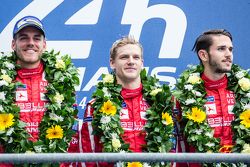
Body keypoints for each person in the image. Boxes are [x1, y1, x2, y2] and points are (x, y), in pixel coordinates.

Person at [74, 36, 187, 167]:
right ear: (112, 63)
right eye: (124, 57)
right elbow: (87, 155)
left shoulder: (162, 102)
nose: (131, 61)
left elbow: (176, 151)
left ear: (142, 63)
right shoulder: (96, 105)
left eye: (136, 57)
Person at [0, 16, 79, 166]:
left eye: (36, 38)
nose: (31, 43)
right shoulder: (1, 80)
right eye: (24, 38)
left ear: (44, 44)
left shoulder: (62, 81)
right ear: (13, 44)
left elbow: (72, 133)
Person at [173, 29, 250, 166]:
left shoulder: (245, 92)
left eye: (230, 49)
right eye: (221, 49)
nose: (228, 55)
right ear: (203, 55)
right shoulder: (183, 97)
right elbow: (177, 146)